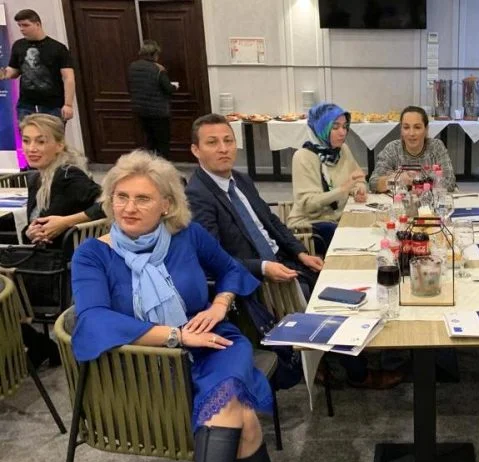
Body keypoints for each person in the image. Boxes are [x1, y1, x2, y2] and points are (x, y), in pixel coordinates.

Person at [70, 150, 298, 462]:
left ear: (166, 205)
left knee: (227, 393)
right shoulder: (92, 255)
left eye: (142, 198)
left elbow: (231, 270)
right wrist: (176, 335)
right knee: (241, 413)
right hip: (146, 361)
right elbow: (95, 319)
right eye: (121, 196)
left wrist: (220, 303)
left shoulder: (187, 235)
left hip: (212, 342)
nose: (128, 207)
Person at [186, 113, 324, 300]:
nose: (223, 149)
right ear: (196, 150)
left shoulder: (241, 179)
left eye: (228, 141)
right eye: (212, 143)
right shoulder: (196, 196)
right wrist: (263, 267)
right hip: (255, 281)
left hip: (283, 260)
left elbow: (271, 220)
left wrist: (300, 252)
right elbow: (213, 257)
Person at [287, 102, 367, 255]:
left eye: (345, 127)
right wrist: (342, 190)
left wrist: (359, 189)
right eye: (335, 127)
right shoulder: (303, 157)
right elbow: (308, 205)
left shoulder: (342, 150)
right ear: (321, 128)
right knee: (354, 240)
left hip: (337, 218)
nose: (342, 133)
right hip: (309, 226)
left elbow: (359, 178)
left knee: (370, 227)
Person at [20, 114, 103, 248]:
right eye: (26, 141)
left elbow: (109, 204)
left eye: (41, 142)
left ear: (59, 145)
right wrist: (29, 233)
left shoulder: (69, 175)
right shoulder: (36, 178)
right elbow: (35, 222)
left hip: (68, 255)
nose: (31, 149)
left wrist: (66, 222)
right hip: (42, 253)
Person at [0, 9, 75, 122]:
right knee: (27, 133)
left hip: (52, 105)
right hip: (26, 105)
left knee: (50, 133)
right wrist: (3, 73)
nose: (22, 29)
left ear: (37, 24)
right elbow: (13, 71)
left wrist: (68, 104)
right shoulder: (18, 45)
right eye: (19, 25)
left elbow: (68, 77)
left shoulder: (58, 48)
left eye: (25, 25)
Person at [369, 105, 456, 193]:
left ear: (426, 129)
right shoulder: (392, 149)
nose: (411, 133)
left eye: (417, 127)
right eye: (406, 127)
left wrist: (417, 183)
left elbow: (450, 182)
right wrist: (395, 179)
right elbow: (373, 183)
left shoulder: (436, 147)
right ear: (401, 130)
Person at [128, 40, 176, 160]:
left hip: (140, 110)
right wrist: (174, 87)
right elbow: (168, 88)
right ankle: (162, 165)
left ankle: (151, 164)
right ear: (154, 54)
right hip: (158, 111)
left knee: (149, 140)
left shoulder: (133, 67)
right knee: (162, 142)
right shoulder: (158, 69)